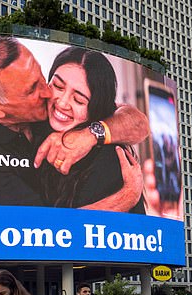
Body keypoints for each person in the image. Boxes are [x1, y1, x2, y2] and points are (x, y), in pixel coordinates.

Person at [0, 34, 148, 211]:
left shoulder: (99, 151)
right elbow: (43, 233)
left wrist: (89, 135)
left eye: (42, 76)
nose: (49, 93)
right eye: (32, 89)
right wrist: (127, 196)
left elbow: (138, 123)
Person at [40, 47, 145, 212]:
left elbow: (70, 235)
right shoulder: (33, 121)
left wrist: (127, 196)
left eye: (78, 100)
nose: (62, 103)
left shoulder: (108, 157)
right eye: (58, 86)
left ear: (96, 109)